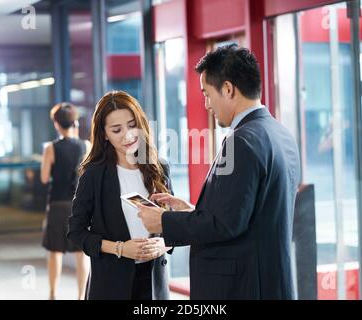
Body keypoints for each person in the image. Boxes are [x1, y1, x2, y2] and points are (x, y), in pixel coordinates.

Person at [137, 44, 301, 299]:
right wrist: (193, 211)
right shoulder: (280, 134)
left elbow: (225, 225)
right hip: (268, 282)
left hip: (240, 288)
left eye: (207, 94)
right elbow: (245, 215)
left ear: (228, 89)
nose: (206, 104)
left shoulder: (241, 141)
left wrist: (162, 220)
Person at [67, 90, 173, 300]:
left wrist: (164, 244)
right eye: (117, 130)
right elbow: (76, 232)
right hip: (110, 283)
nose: (128, 135)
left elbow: (173, 223)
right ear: (104, 134)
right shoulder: (94, 175)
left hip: (154, 282)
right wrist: (120, 248)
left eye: (132, 125)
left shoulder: (159, 167)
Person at [41, 102, 91, 300]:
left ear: (57, 124)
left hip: (58, 204)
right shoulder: (85, 146)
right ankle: (81, 296)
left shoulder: (51, 148)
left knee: (55, 250)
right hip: (80, 204)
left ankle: (53, 294)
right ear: (74, 122)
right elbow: (88, 176)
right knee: (81, 253)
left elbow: (45, 178)